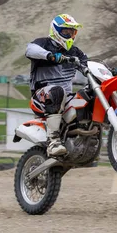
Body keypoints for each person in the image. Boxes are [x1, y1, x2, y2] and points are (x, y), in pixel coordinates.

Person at [25, 14, 88, 157]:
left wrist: (109, 70)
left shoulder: (74, 51)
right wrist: (49, 55)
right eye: (66, 31)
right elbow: (29, 50)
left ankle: (84, 137)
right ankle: (53, 140)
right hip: (41, 98)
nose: (70, 34)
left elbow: (88, 63)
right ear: (56, 30)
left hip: (67, 99)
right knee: (58, 91)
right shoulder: (43, 43)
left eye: (73, 32)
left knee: (88, 96)